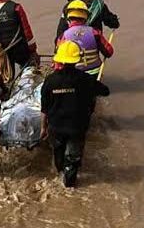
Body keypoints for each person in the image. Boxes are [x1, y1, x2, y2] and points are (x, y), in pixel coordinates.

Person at [40, 41, 110, 187]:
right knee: (72, 159)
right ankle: (69, 184)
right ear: (76, 60)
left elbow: (44, 108)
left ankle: (59, 172)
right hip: (77, 128)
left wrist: (43, 128)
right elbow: (105, 91)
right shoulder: (85, 79)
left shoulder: (50, 81)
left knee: (58, 153)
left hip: (56, 127)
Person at [55, 0, 114, 76]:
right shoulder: (95, 32)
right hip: (95, 73)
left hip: (74, 74)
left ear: (68, 19)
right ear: (86, 18)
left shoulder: (63, 36)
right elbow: (109, 52)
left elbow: (58, 59)